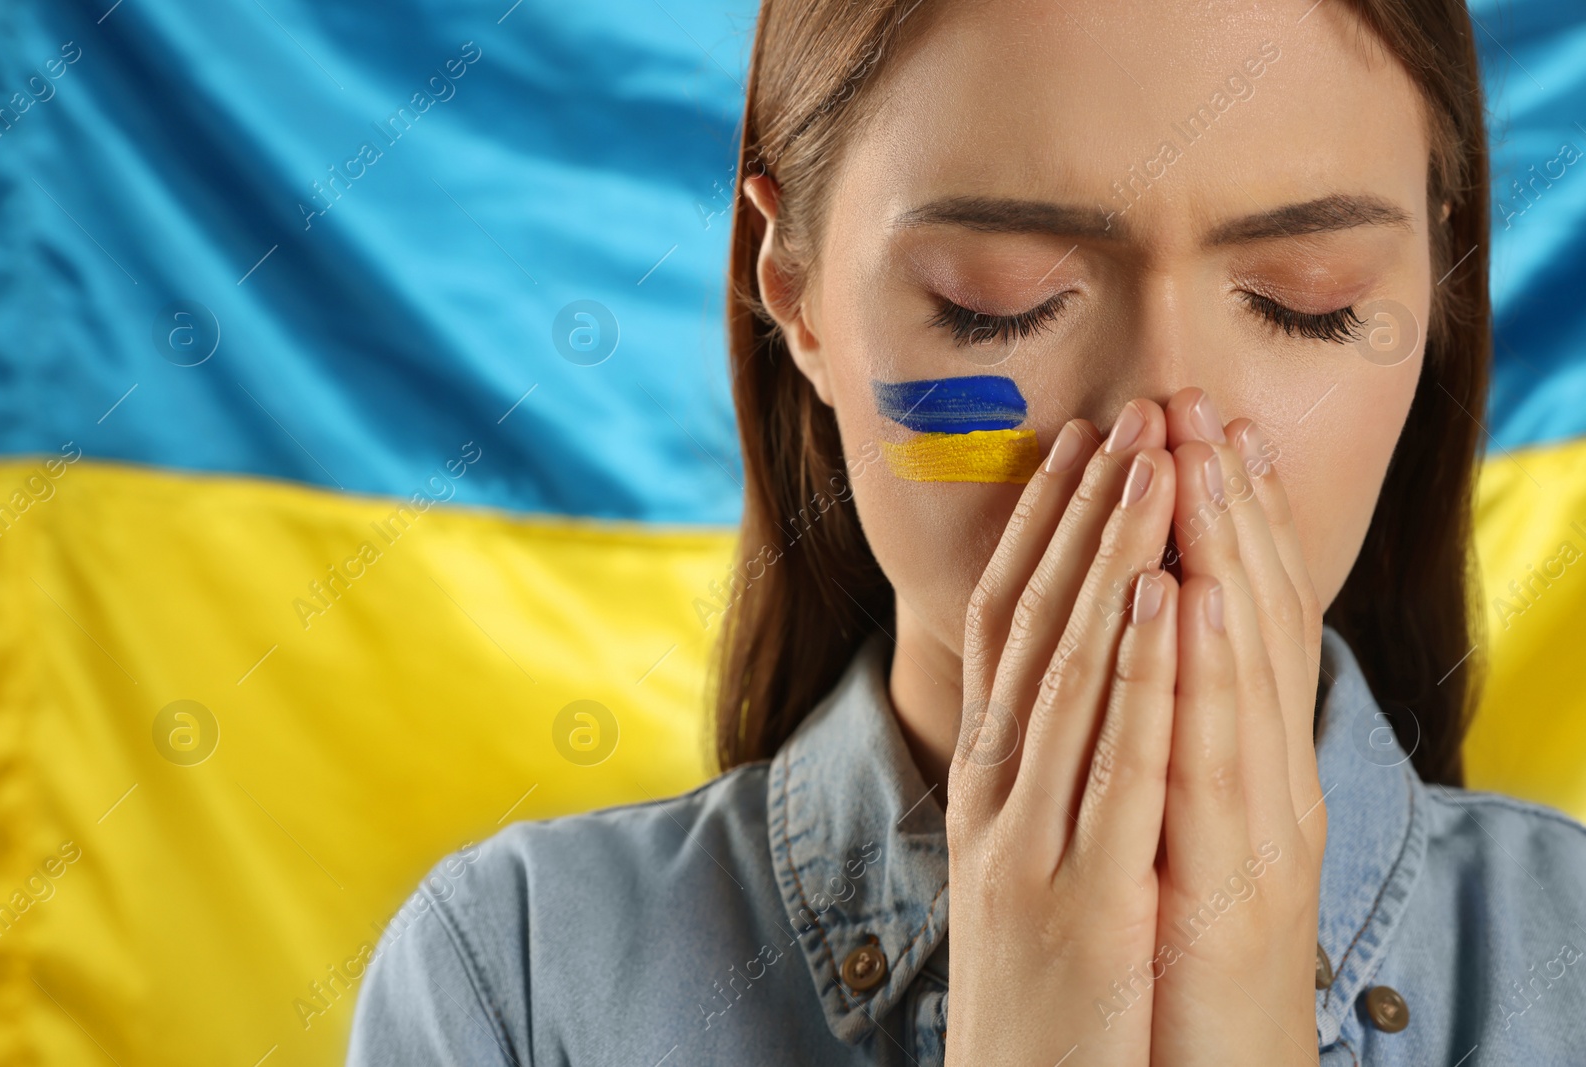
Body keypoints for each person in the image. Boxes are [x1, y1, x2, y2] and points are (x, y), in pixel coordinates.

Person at [346, 0, 1586, 1063]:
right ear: (794, 289)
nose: (1160, 431)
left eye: (1303, 305)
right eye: (998, 306)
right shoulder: (515, 981)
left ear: (1435, 277)